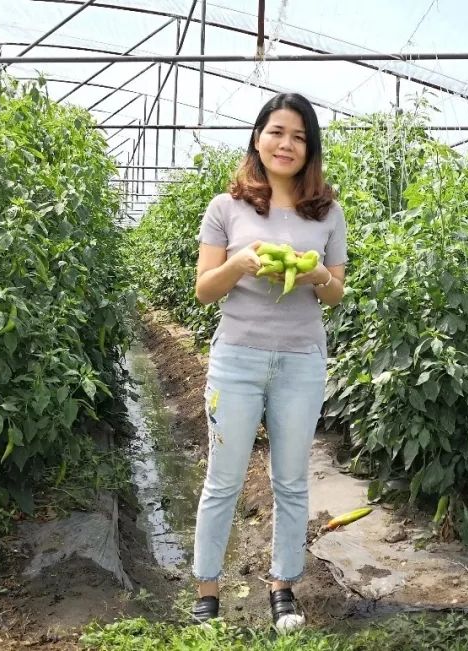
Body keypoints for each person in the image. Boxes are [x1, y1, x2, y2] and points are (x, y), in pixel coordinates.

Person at [189, 92, 347, 631]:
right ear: (258, 138)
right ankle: (207, 590)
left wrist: (316, 276)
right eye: (278, 132)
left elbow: (336, 294)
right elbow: (204, 291)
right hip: (237, 359)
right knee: (223, 480)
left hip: (301, 362)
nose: (287, 144)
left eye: (299, 137)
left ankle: (283, 586)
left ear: (310, 150)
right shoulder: (226, 208)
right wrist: (238, 264)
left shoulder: (326, 212)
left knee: (291, 481)